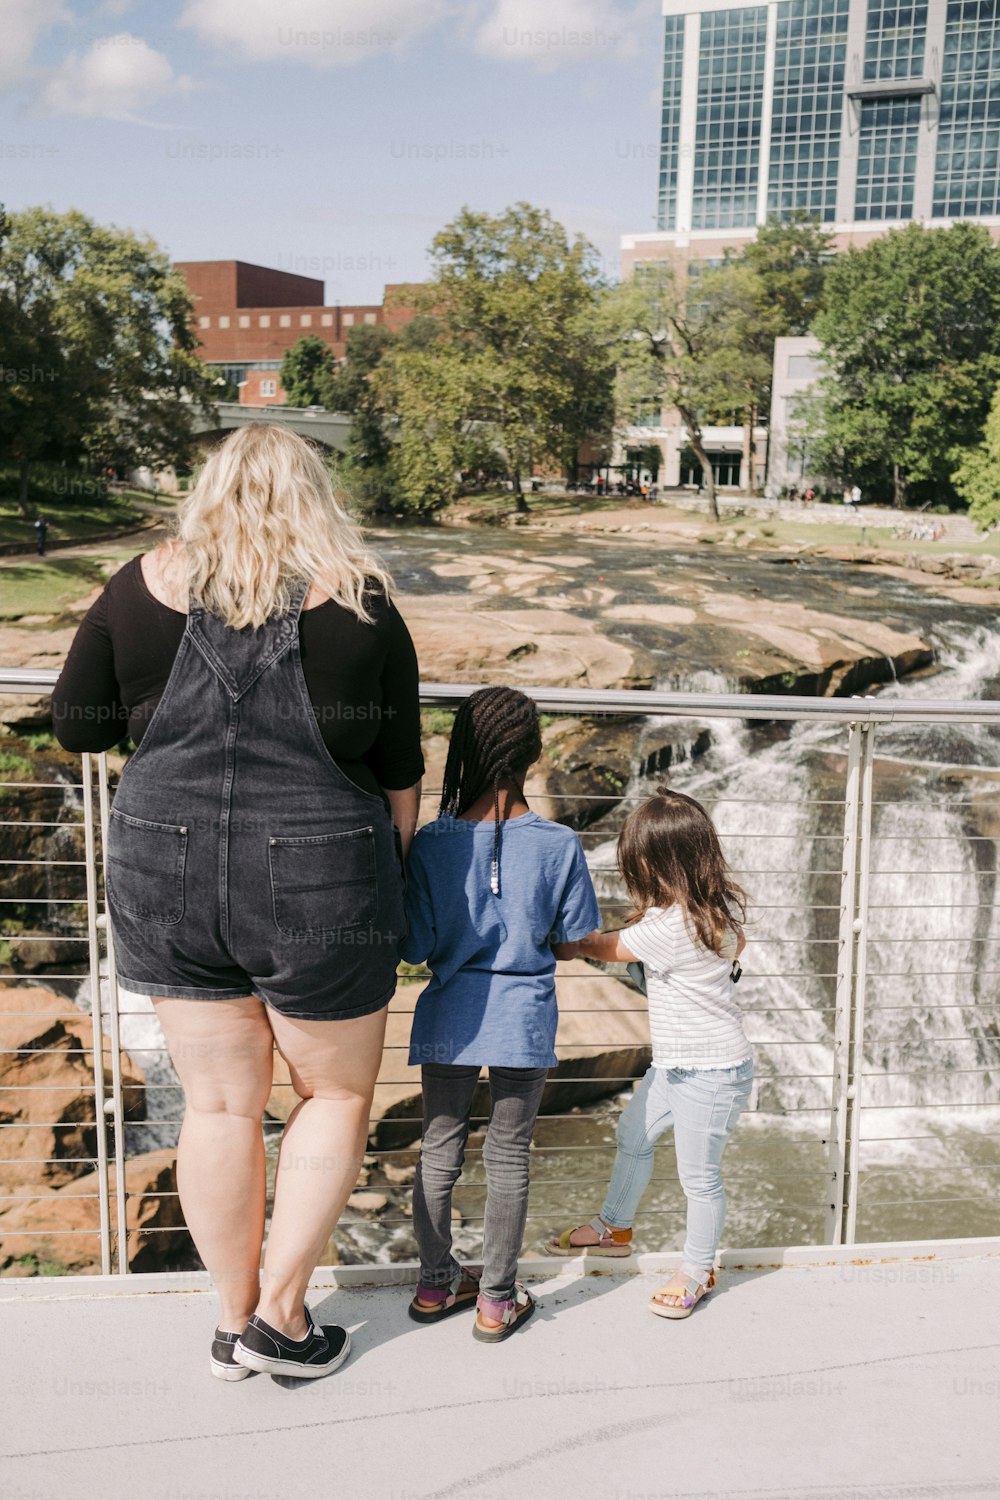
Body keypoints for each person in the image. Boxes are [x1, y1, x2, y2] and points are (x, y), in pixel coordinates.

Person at [52, 425, 424, 1381]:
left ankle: (230, 1322)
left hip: (163, 863)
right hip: (317, 870)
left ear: (206, 489)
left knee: (217, 1105)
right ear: (315, 494)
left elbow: (77, 722)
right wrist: (396, 869)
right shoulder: (362, 598)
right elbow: (397, 767)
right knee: (333, 1093)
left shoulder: (142, 582)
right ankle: (283, 1317)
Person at [400, 686, 600, 1343]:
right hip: (524, 1017)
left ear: (463, 748)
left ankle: (435, 1285)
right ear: (533, 751)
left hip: (450, 1015)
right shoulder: (559, 843)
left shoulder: (432, 843)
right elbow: (571, 943)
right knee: (510, 1156)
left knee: (438, 1150)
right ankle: (495, 1301)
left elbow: (419, 945)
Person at [548, 787, 752, 1321]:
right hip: (677, 1065)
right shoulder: (713, 912)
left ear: (658, 862)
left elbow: (598, 947)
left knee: (700, 1178)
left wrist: (556, 933)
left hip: (710, 1071)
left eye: (636, 858)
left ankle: (699, 1268)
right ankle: (615, 1225)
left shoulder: (669, 927)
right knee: (632, 1135)